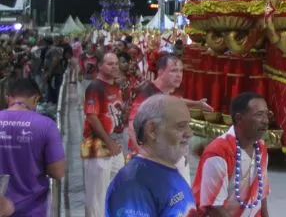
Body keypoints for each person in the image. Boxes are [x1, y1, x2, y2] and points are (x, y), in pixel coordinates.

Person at [104, 95, 194, 217]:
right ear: (152, 130)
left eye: (188, 125)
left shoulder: (165, 170)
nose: (190, 133)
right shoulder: (134, 185)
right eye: (181, 126)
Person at [127, 53, 212, 182]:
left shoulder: (169, 92)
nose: (179, 75)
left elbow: (176, 101)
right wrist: (145, 155)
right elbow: (132, 125)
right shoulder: (147, 94)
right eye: (173, 71)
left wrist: (197, 104)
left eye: (181, 71)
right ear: (160, 72)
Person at [193, 92, 271, 217]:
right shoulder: (218, 152)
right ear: (239, 118)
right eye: (259, 115)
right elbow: (214, 208)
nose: (266, 121)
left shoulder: (261, 147)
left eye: (267, 114)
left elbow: (261, 195)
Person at [0, 78, 66, 217]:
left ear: (8, 97)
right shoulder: (46, 125)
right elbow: (58, 172)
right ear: (35, 98)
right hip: (33, 209)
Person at [82, 52, 125, 217]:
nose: (114, 67)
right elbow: (92, 117)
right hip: (96, 144)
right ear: (100, 65)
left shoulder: (115, 86)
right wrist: (109, 142)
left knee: (115, 188)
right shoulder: (94, 87)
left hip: (114, 143)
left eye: (116, 63)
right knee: (96, 195)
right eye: (109, 64)